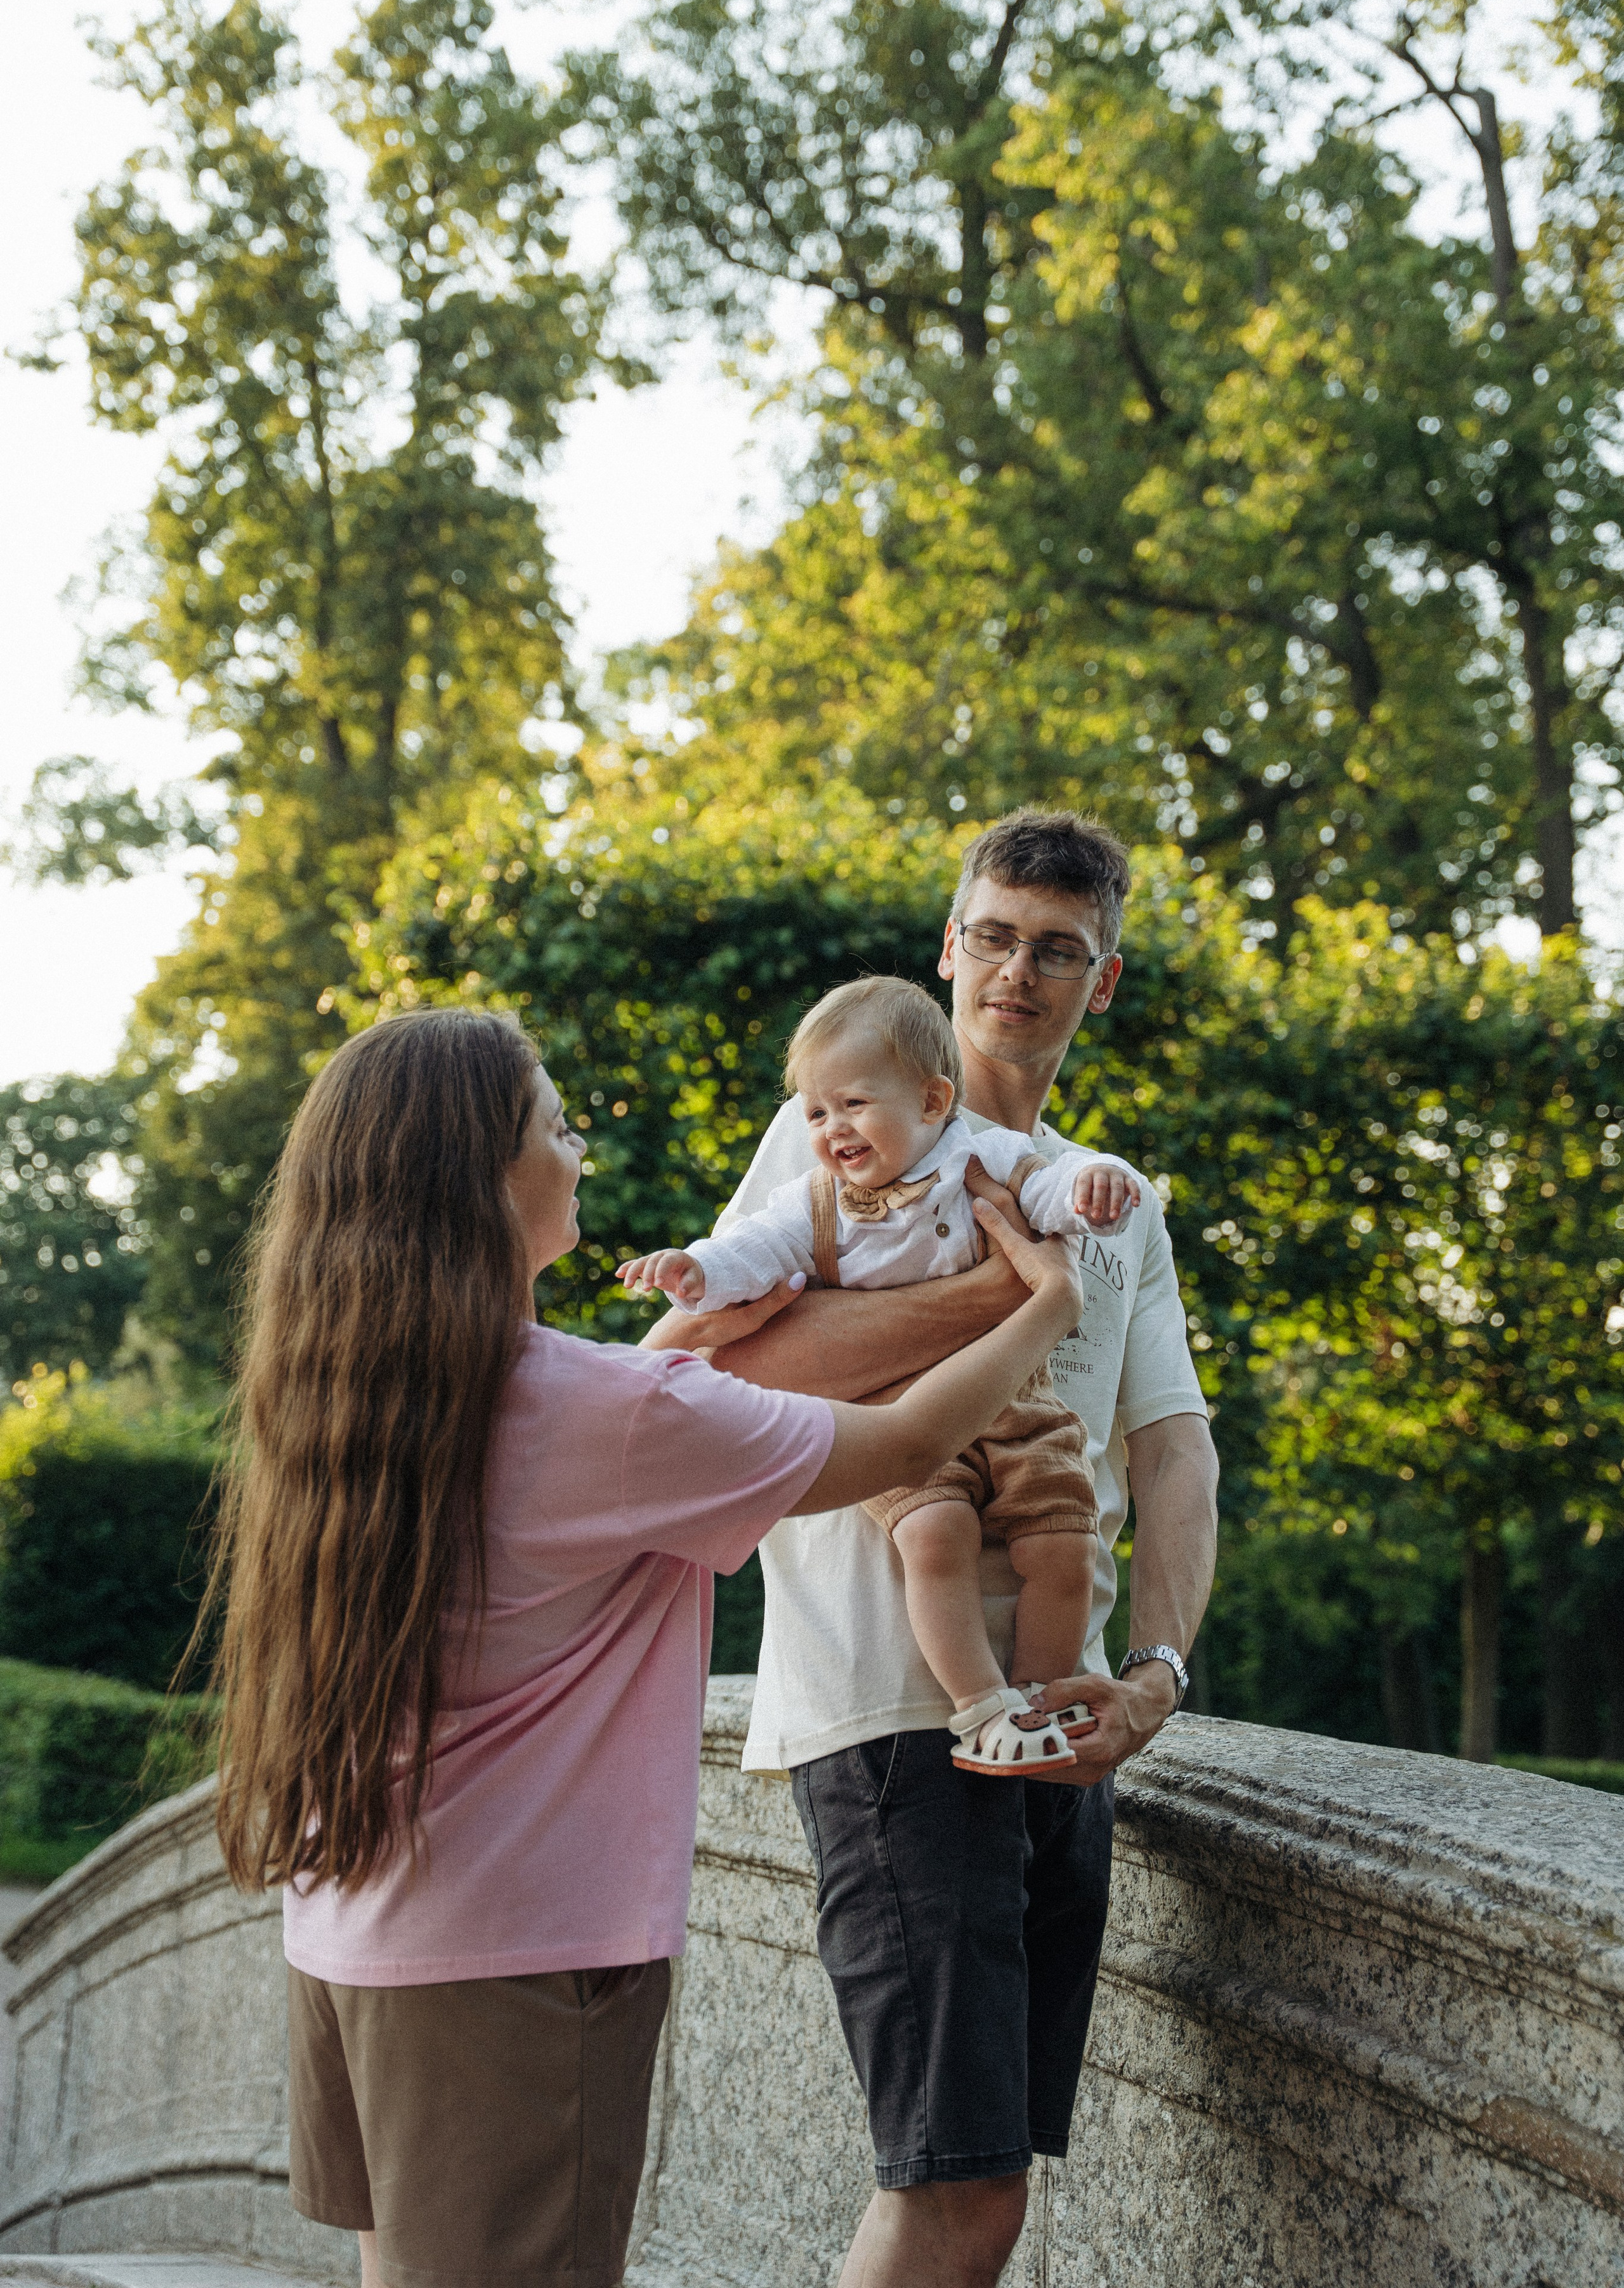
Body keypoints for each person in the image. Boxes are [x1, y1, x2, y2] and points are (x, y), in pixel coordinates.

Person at [200, 1005, 1082, 2288]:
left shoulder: (349, 1396)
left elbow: (649, 1393)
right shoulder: (591, 1414)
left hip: (351, 1940)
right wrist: (1038, 1301)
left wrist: (688, 1339)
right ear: (488, 1182)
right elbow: (893, 1450)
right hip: (512, 1970)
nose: (579, 1150)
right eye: (557, 1127)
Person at [643, 810, 1219, 2288]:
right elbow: (710, 1359)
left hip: (1059, 1719)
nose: (1013, 969)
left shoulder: (1110, 1198)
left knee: (989, 2196)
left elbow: (1168, 1451)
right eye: (988, 933)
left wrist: (1152, 1674)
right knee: (947, 2192)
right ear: (944, 944)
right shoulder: (842, 1121)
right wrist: (1007, 1304)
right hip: (895, 1717)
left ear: (1105, 981)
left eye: (1054, 947)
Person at [618, 973, 1141, 1776]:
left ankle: (1041, 1702)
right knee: (937, 1533)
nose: (831, 1129)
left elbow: (1048, 1189)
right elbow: (754, 1254)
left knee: (1066, 1545)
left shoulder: (981, 1152)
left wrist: (1092, 1188)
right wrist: (696, 1272)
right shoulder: (815, 1200)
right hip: (891, 1407)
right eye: (817, 1112)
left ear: (933, 1103)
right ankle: (981, 1708)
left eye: (853, 1105)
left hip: (1013, 1399)